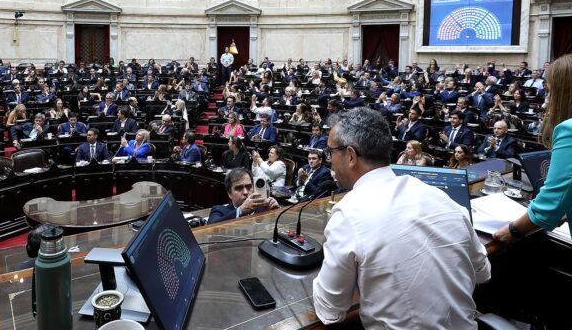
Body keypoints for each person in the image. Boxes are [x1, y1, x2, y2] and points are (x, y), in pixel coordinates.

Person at [312, 107, 490, 328]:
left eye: (330, 152)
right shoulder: (442, 198)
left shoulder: (349, 213)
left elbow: (329, 311)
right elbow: (483, 272)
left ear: (350, 155)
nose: (329, 160)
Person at [494, 54, 572, 243]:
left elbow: (550, 204)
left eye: (550, 90)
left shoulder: (569, 129)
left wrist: (509, 232)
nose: (548, 97)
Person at [207, 168, 280, 224]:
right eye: (239, 188)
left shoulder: (265, 209)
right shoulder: (219, 211)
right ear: (229, 194)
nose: (245, 192)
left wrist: (277, 212)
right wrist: (241, 211)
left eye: (249, 186)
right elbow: (209, 228)